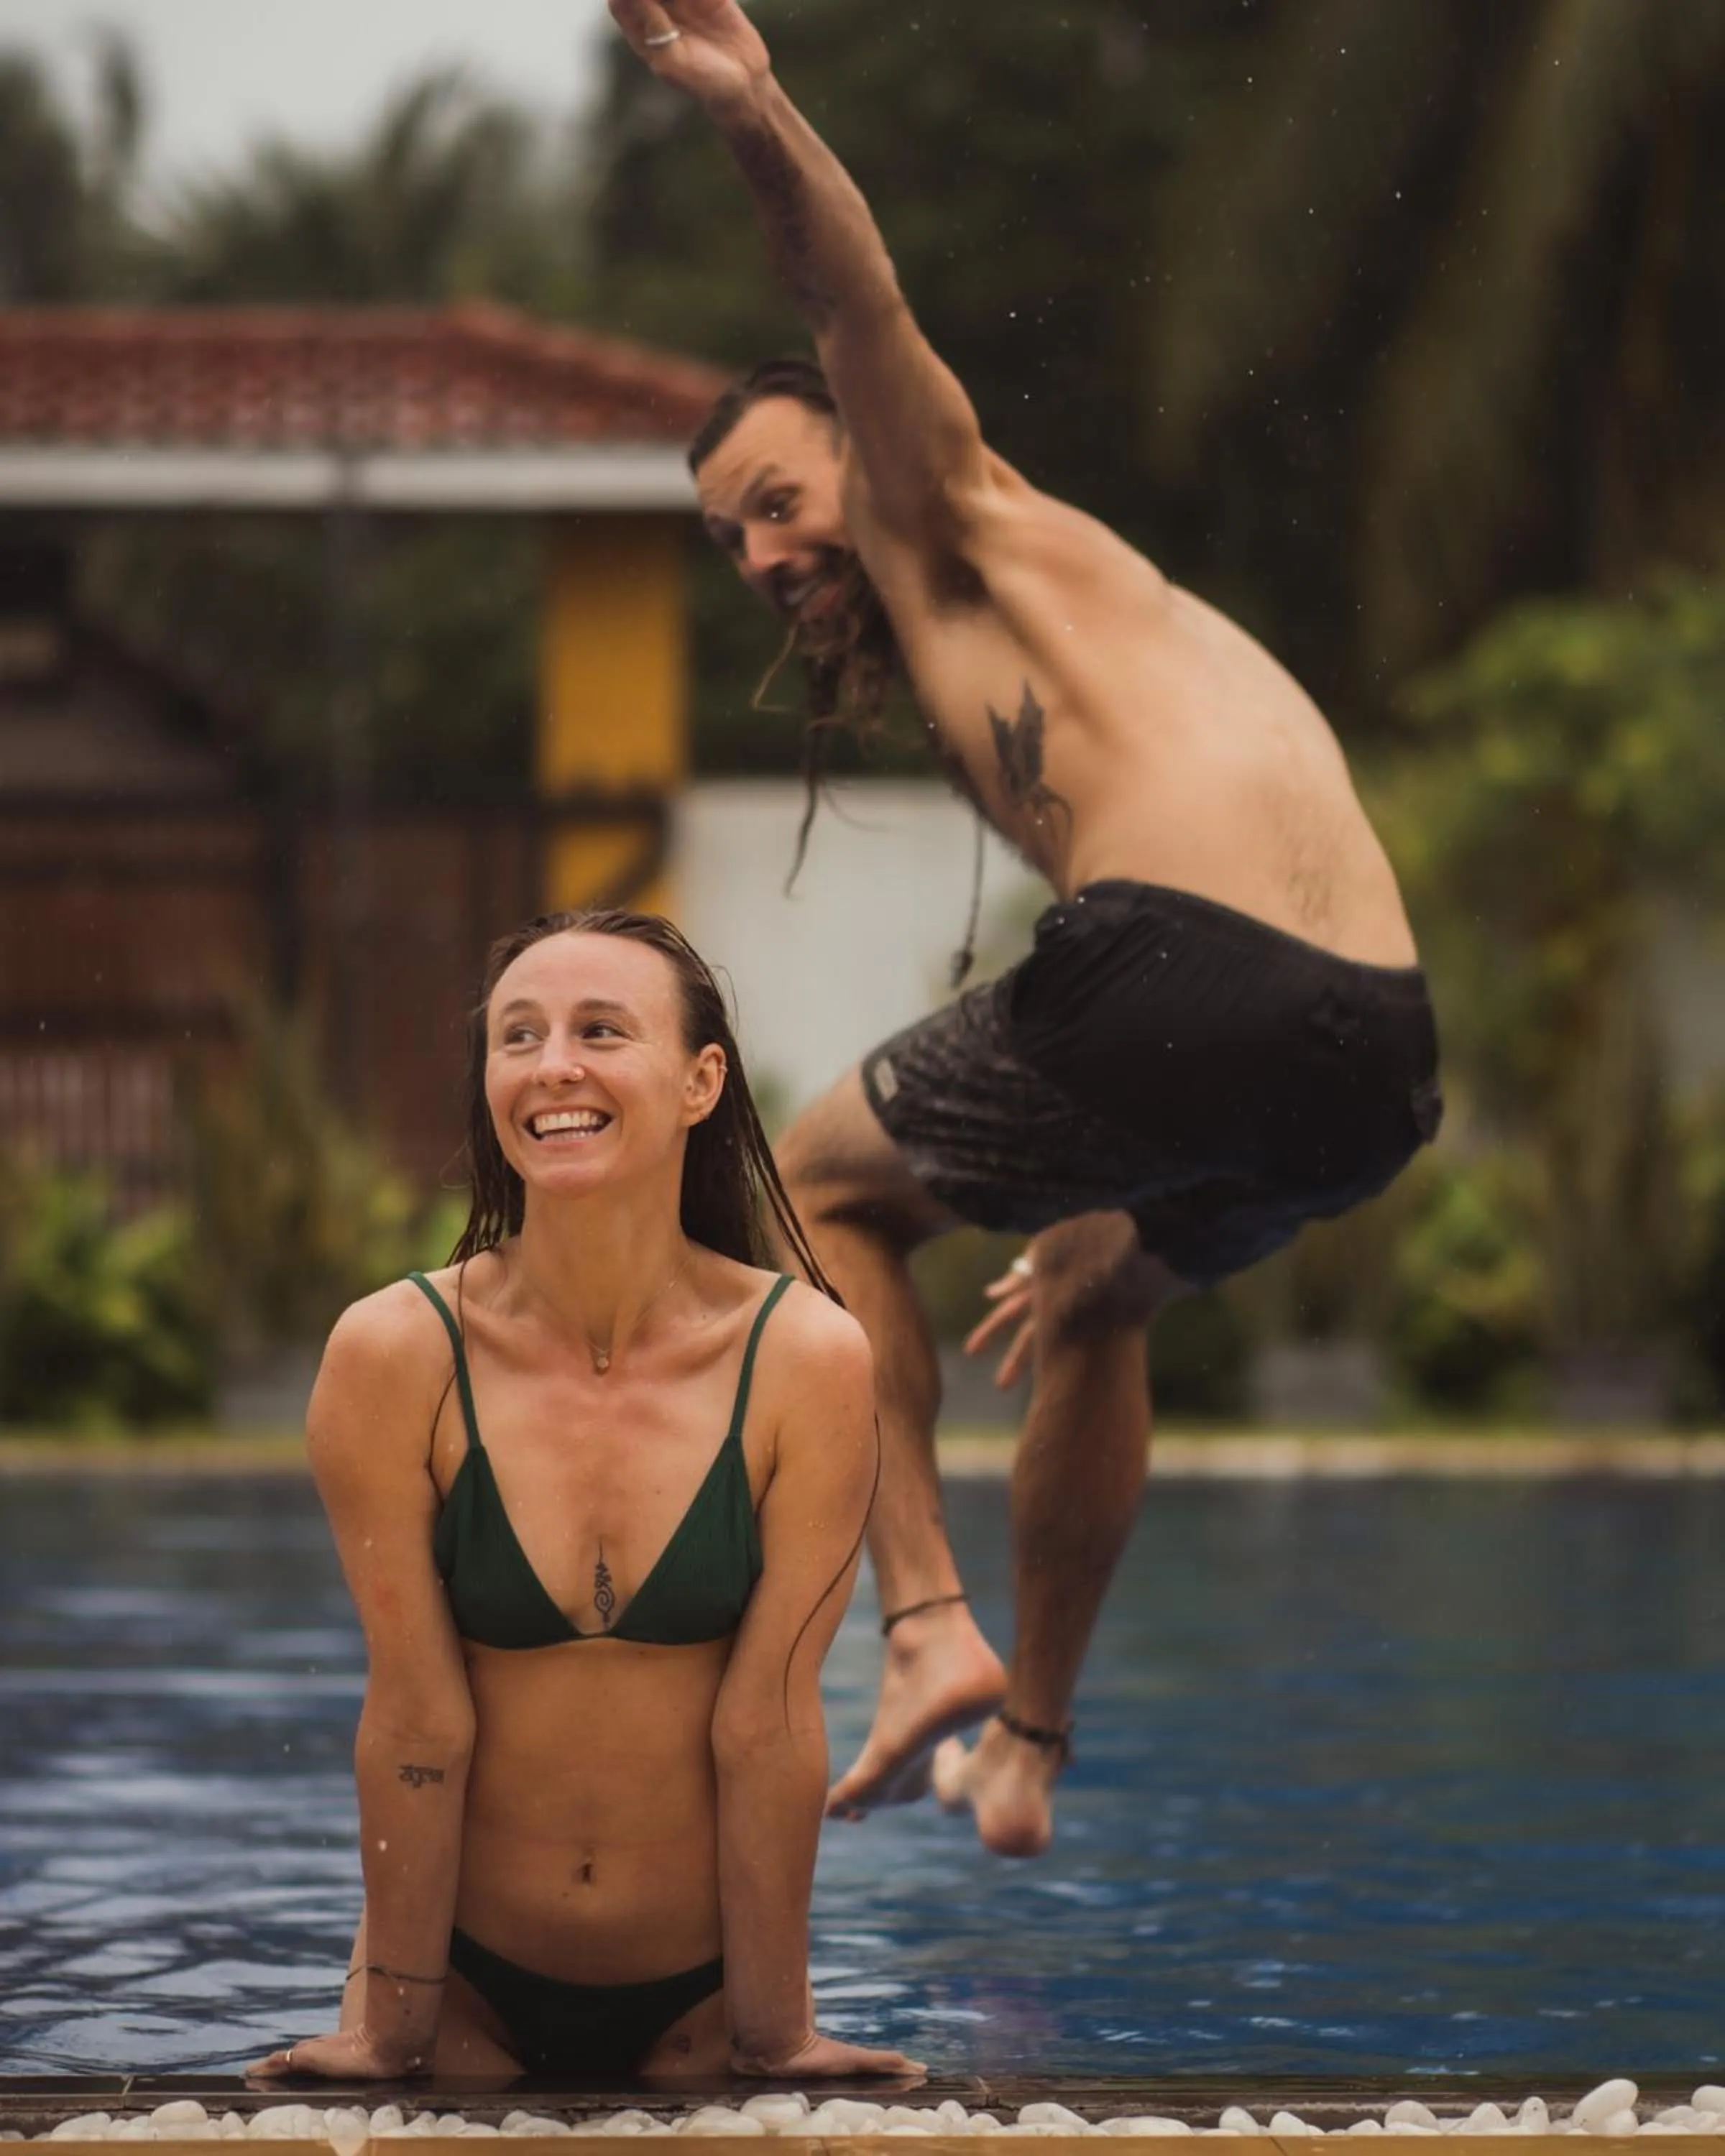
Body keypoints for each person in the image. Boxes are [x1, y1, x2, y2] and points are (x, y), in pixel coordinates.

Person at [610, 2, 1443, 1859]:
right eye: (725, 539)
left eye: (774, 500)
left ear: (859, 456)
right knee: (1093, 1291)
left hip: (1187, 965)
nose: (760, 554)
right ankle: (1031, 1750)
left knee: (809, 1185)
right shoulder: (1051, 643)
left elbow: (852, 301)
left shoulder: (938, 504)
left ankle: (921, 1638)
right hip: (1375, 1055)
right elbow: (1192, 983)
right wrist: (1098, 1154)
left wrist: (754, 111)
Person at [250, 909, 917, 2085]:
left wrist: (777, 2037)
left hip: (706, 1998)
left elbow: (767, 1723)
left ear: (702, 1080)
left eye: (600, 1031)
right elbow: (416, 1719)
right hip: (460, 1987)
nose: (553, 1066)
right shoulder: (395, 1353)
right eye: (519, 1037)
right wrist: (388, 2035)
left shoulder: (804, 1357)